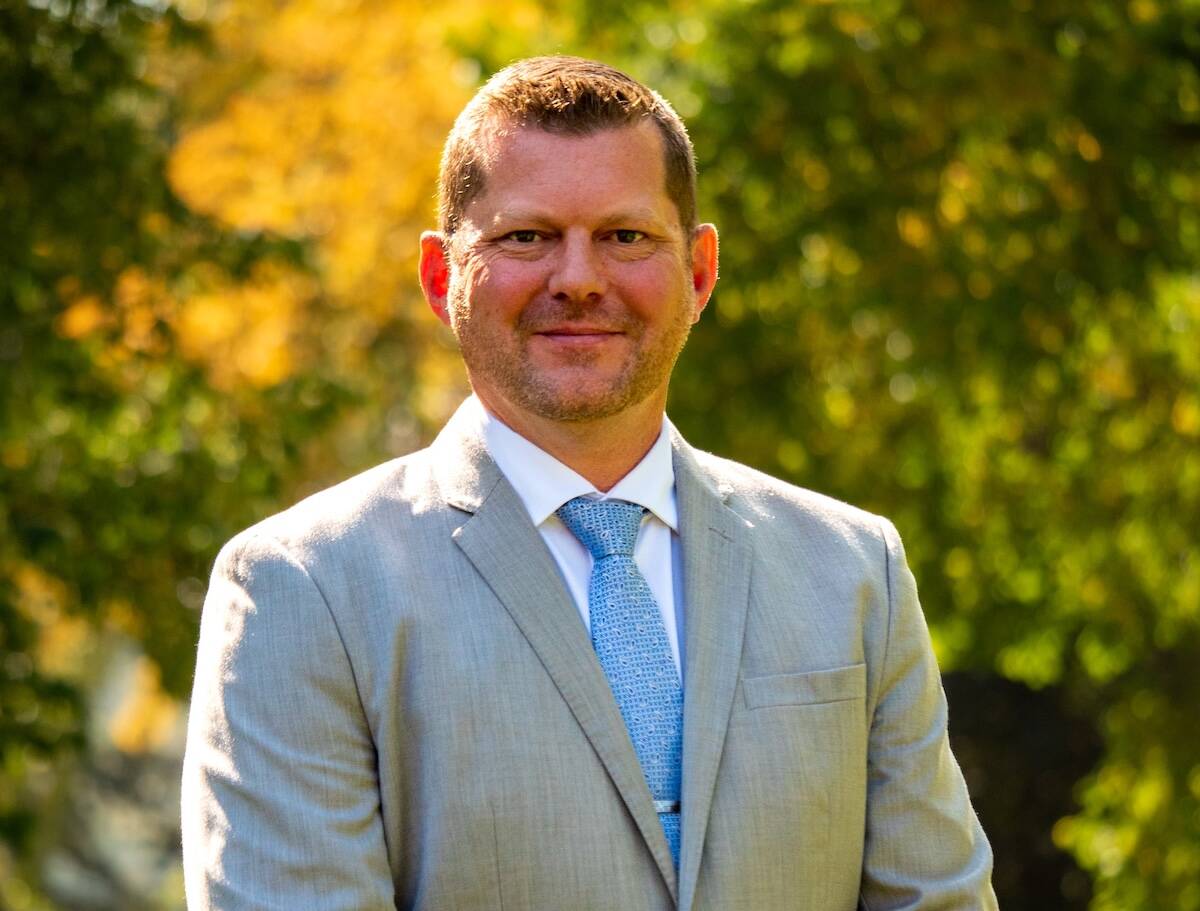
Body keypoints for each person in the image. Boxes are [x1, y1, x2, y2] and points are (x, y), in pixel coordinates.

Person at [181, 55, 998, 910]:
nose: (577, 278)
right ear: (438, 276)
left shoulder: (853, 569)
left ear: (699, 270)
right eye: (525, 237)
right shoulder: (304, 589)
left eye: (626, 236)